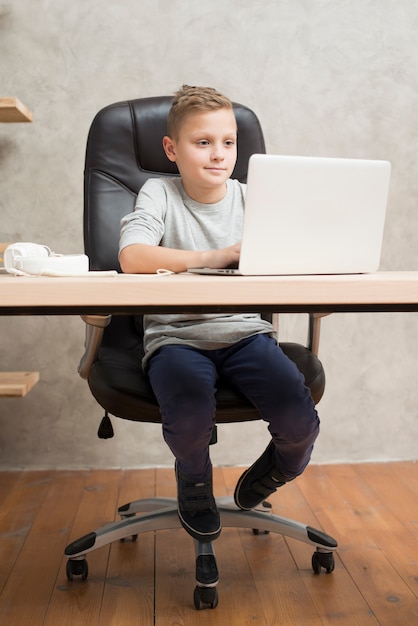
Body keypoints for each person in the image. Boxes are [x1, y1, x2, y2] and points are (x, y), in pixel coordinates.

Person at [119, 85, 320, 543]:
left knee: (299, 420)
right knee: (189, 414)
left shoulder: (252, 198)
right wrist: (216, 257)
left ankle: (276, 470)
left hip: (245, 332)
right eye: (202, 142)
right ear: (172, 149)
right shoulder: (159, 193)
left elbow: (295, 254)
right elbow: (132, 255)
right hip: (176, 336)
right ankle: (193, 479)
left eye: (228, 142)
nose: (218, 154)